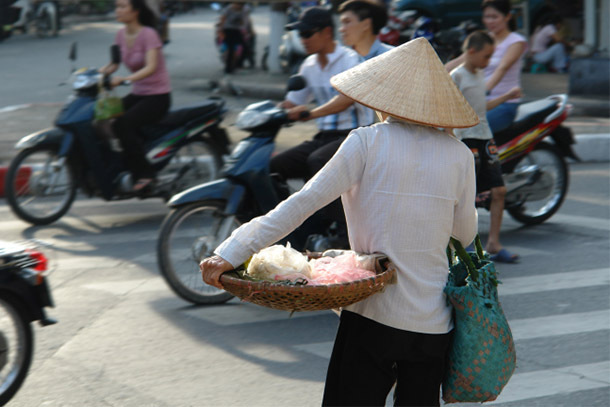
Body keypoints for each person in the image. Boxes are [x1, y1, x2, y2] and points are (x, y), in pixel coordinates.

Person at [200, 37, 479, 406]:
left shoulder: (365, 142)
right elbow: (465, 234)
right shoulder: (459, 155)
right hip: (433, 323)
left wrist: (233, 251)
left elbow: (302, 203)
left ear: (382, 97)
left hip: (374, 314)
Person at [271, 6, 371, 245]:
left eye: (307, 33)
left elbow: (346, 99)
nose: (302, 39)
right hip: (324, 136)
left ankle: (344, 232)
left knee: (317, 160)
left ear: (327, 32)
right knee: (274, 165)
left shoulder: (349, 59)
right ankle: (292, 224)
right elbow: (294, 102)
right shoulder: (308, 65)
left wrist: (312, 112)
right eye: (300, 34)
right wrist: (267, 111)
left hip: (354, 136)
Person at [450, 30, 521, 263]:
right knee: (468, 196)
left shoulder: (479, 73)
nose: (488, 62)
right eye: (486, 56)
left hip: (485, 136)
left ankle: (493, 243)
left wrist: (507, 96)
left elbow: (482, 106)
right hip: (465, 138)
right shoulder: (456, 77)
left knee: (498, 190)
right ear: (471, 51)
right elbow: (449, 110)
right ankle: (465, 248)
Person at [100, 0, 171, 192]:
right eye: (116, 6)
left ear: (135, 11)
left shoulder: (149, 34)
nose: (118, 10)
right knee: (103, 118)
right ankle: (122, 161)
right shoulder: (120, 35)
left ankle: (146, 174)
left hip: (158, 96)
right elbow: (114, 63)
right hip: (139, 93)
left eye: (123, 6)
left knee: (122, 124)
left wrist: (125, 79)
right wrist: (97, 75)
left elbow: (151, 66)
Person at [446, 0, 527, 134]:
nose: (490, 21)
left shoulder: (516, 42)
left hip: (503, 104)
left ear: (507, 16)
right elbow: (460, 60)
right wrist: (435, 74)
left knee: (469, 130)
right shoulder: (483, 39)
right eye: (487, 17)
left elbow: (502, 68)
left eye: (494, 17)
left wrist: (483, 90)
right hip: (478, 102)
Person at [215, 3, 250, 74]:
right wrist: (220, 30)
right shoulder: (228, 9)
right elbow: (222, 19)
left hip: (237, 31)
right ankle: (228, 68)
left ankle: (237, 65)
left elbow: (244, 21)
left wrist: (245, 29)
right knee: (230, 49)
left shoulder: (244, 9)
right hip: (228, 30)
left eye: (240, 5)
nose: (237, 6)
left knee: (245, 48)